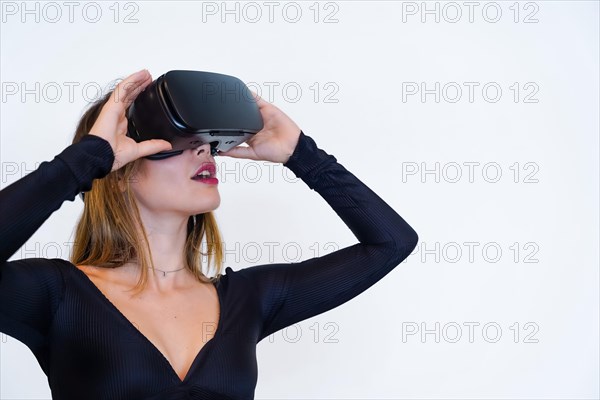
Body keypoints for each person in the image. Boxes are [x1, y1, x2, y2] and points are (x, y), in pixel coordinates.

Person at [0, 69, 419, 399]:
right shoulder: (56, 295)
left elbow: (391, 242)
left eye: (207, 141)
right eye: (176, 140)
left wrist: (303, 155)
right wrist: (85, 160)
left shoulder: (250, 298)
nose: (203, 149)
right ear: (119, 170)